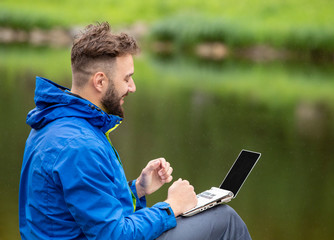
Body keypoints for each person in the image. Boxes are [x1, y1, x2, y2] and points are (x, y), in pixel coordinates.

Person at [19, 22, 252, 240]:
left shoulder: (58, 123)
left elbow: (88, 208)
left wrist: (138, 189)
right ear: (100, 82)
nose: (132, 87)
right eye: (127, 78)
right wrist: (171, 206)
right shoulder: (78, 144)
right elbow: (113, 234)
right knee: (225, 219)